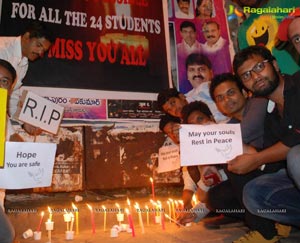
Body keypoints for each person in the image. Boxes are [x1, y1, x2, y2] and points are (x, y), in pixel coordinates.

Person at [231, 45, 300, 233]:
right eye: (246, 76)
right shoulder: (270, 113)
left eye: (259, 67)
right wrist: (245, 151)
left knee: (296, 156)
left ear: (275, 65)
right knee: (254, 193)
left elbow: (295, 140)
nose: (255, 77)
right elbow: (274, 163)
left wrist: (257, 159)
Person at [0, 21, 54, 135]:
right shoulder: (2, 50)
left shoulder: (24, 62)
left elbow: (12, 95)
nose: (40, 52)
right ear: (26, 37)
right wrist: (12, 135)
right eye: (38, 45)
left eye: (43, 50)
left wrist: (24, 122)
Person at [0, 59, 23, 243]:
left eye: (4, 81)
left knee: (6, 235)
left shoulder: (3, 116)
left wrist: (30, 130)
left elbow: (15, 139)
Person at [184, 53, 228, 123]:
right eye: (192, 70)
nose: (197, 74)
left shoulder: (222, 89)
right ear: (187, 75)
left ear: (211, 73)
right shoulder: (186, 99)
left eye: (201, 69)